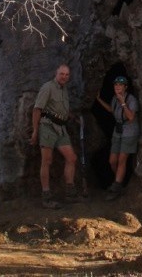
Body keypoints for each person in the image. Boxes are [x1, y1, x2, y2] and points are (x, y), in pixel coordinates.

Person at [30, 64, 79, 208]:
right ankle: (46, 196)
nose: (64, 77)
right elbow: (37, 109)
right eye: (61, 74)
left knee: (71, 158)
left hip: (61, 128)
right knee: (47, 160)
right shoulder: (48, 87)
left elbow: (60, 109)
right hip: (47, 127)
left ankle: (70, 192)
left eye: (67, 75)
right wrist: (35, 131)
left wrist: (73, 117)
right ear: (56, 73)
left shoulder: (64, 90)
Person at [96, 75, 139, 200]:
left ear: (126, 87)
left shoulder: (131, 99)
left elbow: (131, 117)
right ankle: (118, 182)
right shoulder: (115, 98)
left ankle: (116, 186)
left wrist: (123, 103)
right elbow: (111, 110)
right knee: (112, 161)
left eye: (120, 85)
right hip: (118, 131)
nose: (117, 87)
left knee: (121, 160)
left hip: (129, 131)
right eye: (116, 85)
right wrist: (99, 99)